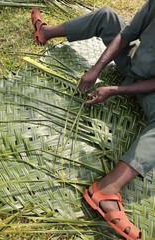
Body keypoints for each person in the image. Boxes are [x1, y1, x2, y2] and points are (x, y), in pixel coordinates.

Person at [31, 1, 155, 239]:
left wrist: (115, 89)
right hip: (132, 60)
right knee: (106, 16)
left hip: (150, 90)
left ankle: (108, 188)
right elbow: (128, 34)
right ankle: (44, 32)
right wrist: (96, 69)